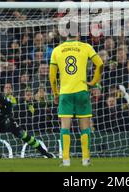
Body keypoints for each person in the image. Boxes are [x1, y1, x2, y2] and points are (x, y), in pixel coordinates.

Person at [49, 33, 104, 167]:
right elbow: (100, 64)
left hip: (65, 92)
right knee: (85, 126)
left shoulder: (57, 50)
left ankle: (66, 160)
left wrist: (55, 93)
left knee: (65, 127)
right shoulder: (86, 47)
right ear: (78, 34)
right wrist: (93, 82)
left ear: (64, 34)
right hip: (82, 90)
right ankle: (86, 160)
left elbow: (52, 76)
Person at [0, 85, 54, 159]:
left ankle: (44, 152)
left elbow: (10, 105)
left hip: (4, 120)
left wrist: (8, 116)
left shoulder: (1, 98)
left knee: (23, 135)